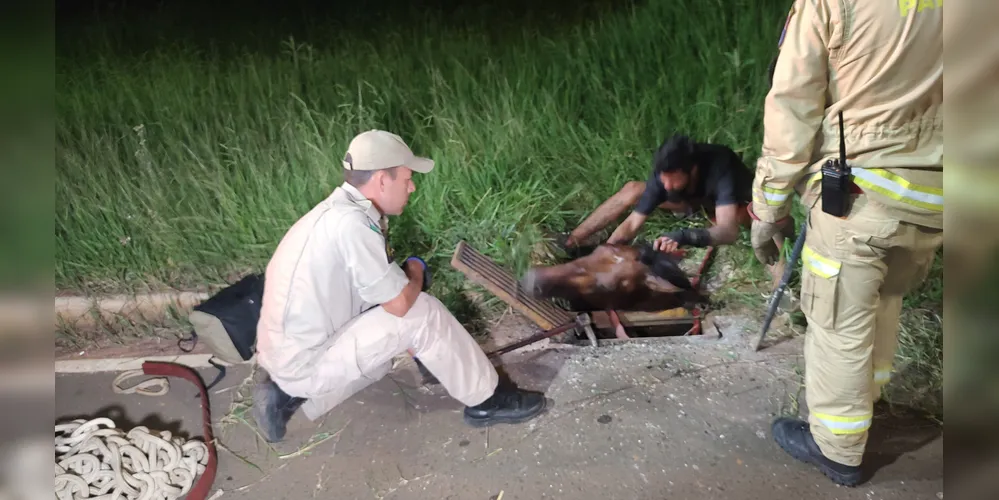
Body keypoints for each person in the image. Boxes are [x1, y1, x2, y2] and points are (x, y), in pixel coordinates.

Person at [749, 0, 943, 487]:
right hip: (937, 195)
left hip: (857, 199)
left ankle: (837, 447)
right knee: (885, 296)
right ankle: (870, 397)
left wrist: (768, 208)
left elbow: (794, 106)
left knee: (838, 321)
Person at [251, 129, 548, 442]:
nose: (412, 186)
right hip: (301, 363)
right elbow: (401, 306)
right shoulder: (353, 225)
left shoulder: (333, 213)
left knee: (385, 349)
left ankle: (283, 393)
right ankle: (489, 401)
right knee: (421, 314)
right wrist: (416, 271)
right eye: (406, 178)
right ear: (381, 180)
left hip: (285, 353)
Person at [561, 134, 791, 286]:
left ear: (692, 170)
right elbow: (631, 225)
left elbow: (728, 232)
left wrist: (684, 236)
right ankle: (572, 241)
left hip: (735, 207)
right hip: (692, 203)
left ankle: (784, 292)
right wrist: (605, 257)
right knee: (633, 189)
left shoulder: (721, 166)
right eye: (664, 181)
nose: (667, 187)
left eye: (673, 181)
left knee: (762, 220)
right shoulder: (664, 175)